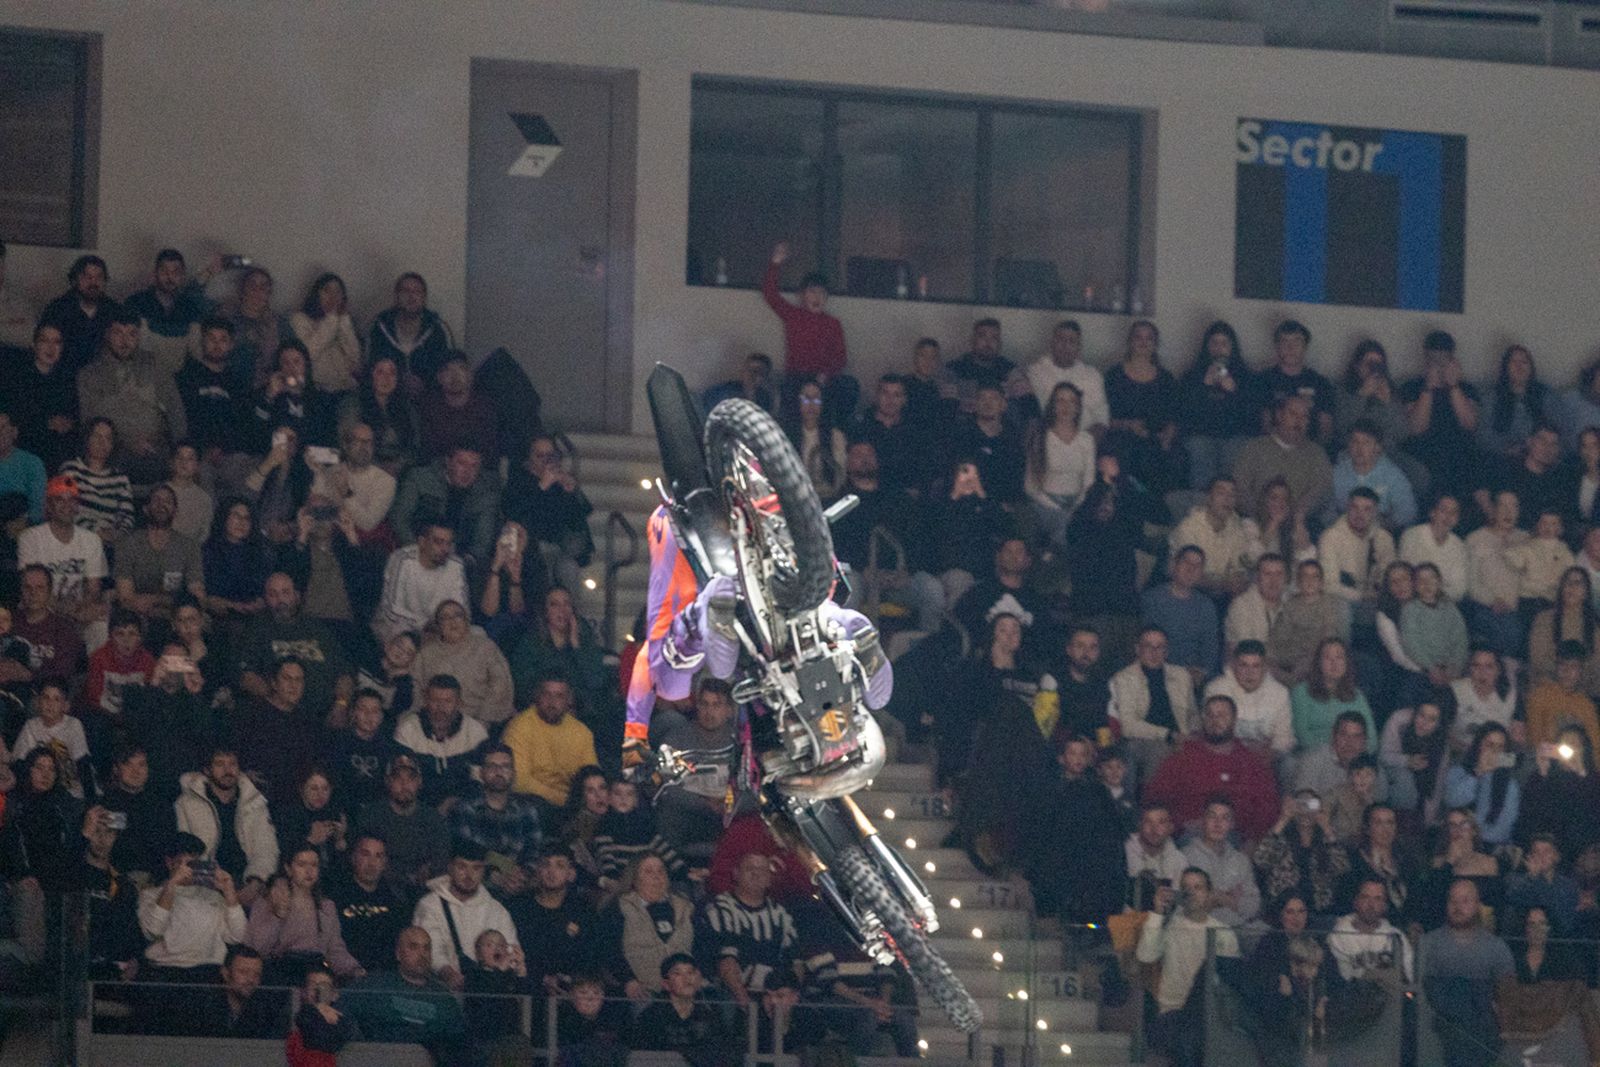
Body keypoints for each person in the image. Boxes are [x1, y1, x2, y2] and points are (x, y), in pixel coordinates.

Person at [1135, 866, 1240, 1067]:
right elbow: (1145, 956)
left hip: (1210, 1016)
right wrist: (1157, 913)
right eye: (1185, 887)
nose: (1191, 892)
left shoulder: (1223, 932)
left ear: (1209, 893)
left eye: (1197, 887)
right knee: (1187, 1039)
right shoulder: (1169, 926)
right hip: (1173, 1012)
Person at [76, 304, 188, 485]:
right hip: (113, 451)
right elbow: (88, 420)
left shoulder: (155, 365)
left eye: (132, 334)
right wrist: (127, 442)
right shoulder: (90, 374)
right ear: (107, 334)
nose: (125, 341)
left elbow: (176, 411)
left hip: (157, 449)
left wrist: (181, 449)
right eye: (118, 333)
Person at [1144, 695, 1279, 841]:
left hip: (1237, 839)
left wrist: (1252, 841)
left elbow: (1267, 807)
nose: (1215, 720)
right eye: (1210, 715)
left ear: (1234, 719)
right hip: (1191, 836)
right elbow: (1155, 799)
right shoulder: (1183, 758)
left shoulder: (1251, 762)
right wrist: (1179, 826)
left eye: (1222, 715)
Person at [699, 850, 802, 1030]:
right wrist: (746, 1002)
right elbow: (726, 962)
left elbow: (796, 962)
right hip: (735, 992)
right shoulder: (722, 908)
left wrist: (790, 995)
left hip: (775, 993)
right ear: (736, 874)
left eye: (762, 870)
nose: (756, 874)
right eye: (750, 869)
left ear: (770, 878)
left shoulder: (780, 913)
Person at [237, 572, 355, 722]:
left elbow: (344, 672)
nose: (280, 600)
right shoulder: (257, 629)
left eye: (285, 592)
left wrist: (341, 704)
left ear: (296, 595)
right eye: (273, 594)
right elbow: (245, 675)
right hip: (279, 715)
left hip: (326, 715)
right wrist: (276, 699)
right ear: (265, 598)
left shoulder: (316, 628)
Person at [1420, 879, 1514, 1067]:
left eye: (1465, 901)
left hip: (1483, 1035)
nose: (1458, 906)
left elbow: (1507, 993)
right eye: (1453, 901)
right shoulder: (1427, 944)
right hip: (1436, 1033)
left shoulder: (1497, 947)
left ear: (1478, 905)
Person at [345, 927, 469, 1065]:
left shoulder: (443, 997)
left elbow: (460, 1044)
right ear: (398, 953)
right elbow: (342, 1013)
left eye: (426, 948)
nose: (422, 954)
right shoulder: (375, 985)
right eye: (414, 947)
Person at [1494, 905, 1600, 1064]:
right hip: (1517, 1039)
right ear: (1525, 928)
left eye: (1542, 923)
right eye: (1532, 924)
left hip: (1556, 1041)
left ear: (1550, 927)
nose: (1537, 929)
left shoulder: (1565, 963)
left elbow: (1580, 999)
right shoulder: (1511, 960)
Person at [174, 746, 278, 907]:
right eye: (220, 764)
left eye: (232, 764)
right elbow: (185, 853)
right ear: (207, 770)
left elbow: (266, 848)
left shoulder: (255, 803)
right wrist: (215, 885)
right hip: (205, 886)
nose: (227, 770)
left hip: (247, 883)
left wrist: (256, 882)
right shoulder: (187, 803)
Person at [137, 831, 247, 981]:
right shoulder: (151, 895)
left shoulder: (213, 896)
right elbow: (153, 930)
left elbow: (237, 936)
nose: (191, 869)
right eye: (186, 863)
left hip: (209, 971)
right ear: (170, 863)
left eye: (196, 862)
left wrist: (229, 891)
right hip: (166, 969)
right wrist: (172, 885)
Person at [411, 840, 519, 990]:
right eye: (462, 867)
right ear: (450, 867)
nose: (469, 875)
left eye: (476, 868)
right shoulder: (429, 905)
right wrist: (448, 974)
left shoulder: (497, 910)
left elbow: (510, 951)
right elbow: (430, 949)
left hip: (487, 994)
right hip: (440, 991)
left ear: (483, 871)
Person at [246, 846, 363, 983]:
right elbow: (257, 948)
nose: (309, 871)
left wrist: (353, 969)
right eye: (301, 865)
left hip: (315, 974)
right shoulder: (267, 900)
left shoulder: (326, 907)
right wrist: (278, 915)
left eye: (314, 865)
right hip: (280, 973)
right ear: (288, 869)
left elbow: (334, 949)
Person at [1107, 626, 1198, 785]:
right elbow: (1129, 726)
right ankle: (1153, 805)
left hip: (1181, 737)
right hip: (1143, 739)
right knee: (1159, 751)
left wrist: (1191, 736)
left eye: (1159, 647)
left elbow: (1193, 714)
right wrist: (1168, 735)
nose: (1154, 652)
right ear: (1138, 649)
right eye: (1148, 646)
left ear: (1166, 651)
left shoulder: (1181, 675)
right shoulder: (1124, 678)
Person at [501, 435, 594, 590]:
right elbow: (515, 514)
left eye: (550, 456)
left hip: (561, 546)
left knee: (569, 568)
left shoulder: (558, 480)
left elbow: (581, 515)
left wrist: (571, 492)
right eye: (540, 456)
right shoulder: (517, 481)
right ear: (529, 458)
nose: (546, 460)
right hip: (531, 547)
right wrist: (541, 486)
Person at [1102, 318, 1182, 495]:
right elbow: (1103, 417)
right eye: (1138, 337)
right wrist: (1128, 425)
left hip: (1157, 438)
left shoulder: (1166, 378)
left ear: (1155, 344)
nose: (1143, 342)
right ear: (1130, 342)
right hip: (1123, 436)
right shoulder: (1114, 375)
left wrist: (1168, 435)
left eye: (1149, 338)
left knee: (1174, 457)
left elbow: (1175, 414)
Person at [447, 743, 543, 887]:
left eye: (505, 766)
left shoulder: (527, 811)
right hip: (477, 886)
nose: (499, 772)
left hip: (519, 887)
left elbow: (534, 852)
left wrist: (522, 876)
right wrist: (495, 874)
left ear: (513, 773)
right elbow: (464, 851)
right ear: (481, 773)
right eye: (492, 766)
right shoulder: (465, 808)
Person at [508, 847, 602, 993]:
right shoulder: (518, 907)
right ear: (538, 871)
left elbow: (591, 956)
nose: (551, 871)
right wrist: (540, 978)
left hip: (571, 993)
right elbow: (509, 952)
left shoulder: (583, 911)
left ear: (571, 874)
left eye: (559, 865)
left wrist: (569, 981)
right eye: (546, 864)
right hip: (524, 988)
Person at [1177, 319, 1256, 491]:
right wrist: (1203, 386)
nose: (1219, 348)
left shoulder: (1246, 377)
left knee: (1234, 452)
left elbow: (1251, 414)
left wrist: (1234, 390)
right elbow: (1184, 412)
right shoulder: (1192, 376)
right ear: (1207, 346)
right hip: (1201, 435)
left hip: (1234, 436)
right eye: (1214, 343)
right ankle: (1202, 508)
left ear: (1232, 347)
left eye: (1224, 343)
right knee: (1199, 448)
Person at [604, 853, 696, 999]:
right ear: (634, 878)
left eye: (661, 871)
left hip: (684, 993)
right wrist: (628, 980)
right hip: (640, 992)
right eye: (648, 871)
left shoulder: (685, 907)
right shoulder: (619, 907)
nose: (656, 876)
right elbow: (609, 949)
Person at [503, 676, 600, 813]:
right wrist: (563, 800)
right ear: (537, 696)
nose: (552, 702)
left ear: (569, 700)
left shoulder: (582, 732)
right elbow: (519, 781)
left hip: (572, 804)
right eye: (546, 694)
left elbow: (591, 776)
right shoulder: (519, 727)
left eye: (559, 696)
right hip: (534, 804)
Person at [356, 754, 449, 889]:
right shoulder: (370, 816)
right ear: (388, 781)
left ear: (420, 782)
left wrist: (429, 871)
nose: (404, 784)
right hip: (380, 889)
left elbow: (441, 860)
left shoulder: (434, 820)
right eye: (397, 778)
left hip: (425, 892)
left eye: (411, 778)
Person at [1233, 395, 1334, 520]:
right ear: (1279, 415)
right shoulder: (1255, 447)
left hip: (1299, 522)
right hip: (1256, 520)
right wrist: (1261, 514)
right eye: (1293, 414)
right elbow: (1240, 486)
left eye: (1304, 416)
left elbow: (1321, 491)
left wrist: (1295, 515)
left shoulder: (1317, 454)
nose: (1298, 421)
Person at [1253, 790, 1351, 919]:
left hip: (1319, 911)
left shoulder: (1327, 840)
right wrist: (1284, 818)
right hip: (1284, 911)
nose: (1306, 811)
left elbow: (1342, 868)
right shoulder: (1280, 839)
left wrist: (1327, 828)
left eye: (1311, 805)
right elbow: (1261, 860)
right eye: (1301, 804)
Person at [631, 954, 741, 1066]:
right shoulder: (651, 1016)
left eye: (690, 972)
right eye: (677, 973)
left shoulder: (710, 1012)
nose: (686, 978)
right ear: (666, 984)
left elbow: (725, 1049)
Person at [762, 241, 847, 381]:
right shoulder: (793, 315)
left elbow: (840, 358)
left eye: (822, 293)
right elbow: (770, 293)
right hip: (797, 377)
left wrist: (825, 374)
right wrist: (775, 263)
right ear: (802, 295)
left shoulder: (833, 323)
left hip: (823, 379)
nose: (817, 297)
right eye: (812, 292)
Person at [1024, 382, 1097, 544]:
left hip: (1077, 504)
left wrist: (1075, 507)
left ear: (1078, 407)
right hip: (1045, 504)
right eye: (1060, 400)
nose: (1066, 406)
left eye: (1071, 401)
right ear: (1052, 405)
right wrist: (1058, 509)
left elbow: (1089, 482)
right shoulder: (1040, 437)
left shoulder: (1087, 440)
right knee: (1065, 528)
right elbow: (1030, 485)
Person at [326, 834, 409, 974]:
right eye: (365, 854)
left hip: (385, 979)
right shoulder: (335, 896)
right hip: (344, 977)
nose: (372, 863)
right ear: (353, 858)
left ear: (385, 863)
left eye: (378, 856)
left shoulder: (396, 902)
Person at [1465, 489, 1531, 661]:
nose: (1508, 512)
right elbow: (1471, 583)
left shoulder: (1526, 539)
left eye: (1514, 507)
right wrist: (1492, 600)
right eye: (1503, 506)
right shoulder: (1475, 539)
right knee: (1507, 631)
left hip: (1520, 607)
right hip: (1486, 606)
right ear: (1493, 509)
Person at [1139, 545, 1221, 683]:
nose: (1191, 569)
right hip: (1159, 672)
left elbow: (1210, 647)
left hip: (1195, 676)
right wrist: (1177, 673)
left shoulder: (1206, 605)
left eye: (1197, 566)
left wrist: (1203, 671)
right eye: (1186, 562)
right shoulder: (1153, 599)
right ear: (1174, 565)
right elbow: (1149, 643)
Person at [4, 322, 78, 474]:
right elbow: (14, 418)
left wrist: (67, 424)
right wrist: (47, 423)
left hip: (58, 452)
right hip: (24, 449)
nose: (51, 348)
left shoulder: (67, 380)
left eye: (56, 342)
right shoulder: (17, 378)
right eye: (45, 341)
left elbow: (74, 416)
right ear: (34, 345)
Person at [1170, 478, 1258, 598]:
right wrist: (1222, 584)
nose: (1227, 499)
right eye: (1221, 493)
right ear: (1208, 498)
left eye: (1232, 495)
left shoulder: (1237, 527)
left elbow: (1239, 567)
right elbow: (1186, 574)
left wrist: (1238, 578)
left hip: (1223, 595)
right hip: (1188, 593)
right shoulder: (1188, 528)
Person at [1267, 559, 1351, 685]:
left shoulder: (1329, 605)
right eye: (1305, 576)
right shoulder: (1290, 605)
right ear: (1298, 582)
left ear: (1321, 582)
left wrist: (1310, 659)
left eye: (1315, 577)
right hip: (1290, 657)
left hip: (1316, 658)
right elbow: (1279, 637)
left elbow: (1328, 638)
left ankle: (1293, 683)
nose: (1310, 581)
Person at [1204, 638, 1294, 755]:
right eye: (1243, 665)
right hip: (1226, 753)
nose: (1250, 673)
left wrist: (1268, 753)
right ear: (1234, 666)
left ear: (1265, 667)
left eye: (1256, 666)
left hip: (1267, 757)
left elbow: (1283, 738)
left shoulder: (1280, 693)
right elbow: (1213, 731)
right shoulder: (1216, 689)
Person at [368, 273, 455, 393]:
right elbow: (370, 364)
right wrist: (396, 381)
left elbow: (447, 367)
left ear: (424, 297)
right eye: (405, 291)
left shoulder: (437, 329)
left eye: (417, 291)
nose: (411, 296)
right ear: (397, 296)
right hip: (388, 397)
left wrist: (425, 383)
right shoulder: (380, 327)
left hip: (428, 398)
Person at [1181, 797, 1262, 926]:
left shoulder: (1241, 860)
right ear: (1203, 820)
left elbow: (1254, 903)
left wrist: (1223, 899)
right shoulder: (1185, 856)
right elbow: (1184, 903)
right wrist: (1225, 899)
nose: (1218, 823)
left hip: (1238, 927)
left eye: (1225, 818)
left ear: (1232, 824)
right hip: (1199, 926)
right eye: (1212, 816)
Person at [1025, 319, 1108, 439]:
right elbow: (1029, 418)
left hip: (1084, 442)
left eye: (1071, 341)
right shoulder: (1035, 373)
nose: (1065, 346)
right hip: (1046, 443)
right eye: (1061, 339)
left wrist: (1080, 444)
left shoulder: (1092, 376)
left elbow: (1102, 420)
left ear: (1079, 346)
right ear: (1052, 343)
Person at [1444, 723, 1521, 846]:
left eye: (1500, 747)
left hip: (1489, 845)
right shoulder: (1458, 771)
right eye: (1489, 745)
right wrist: (1477, 773)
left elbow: (1503, 828)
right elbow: (1452, 801)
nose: (1494, 751)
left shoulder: (1510, 785)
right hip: (1456, 840)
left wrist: (1475, 841)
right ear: (1478, 745)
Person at [1378, 697, 1451, 827]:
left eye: (1432, 719)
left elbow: (1437, 783)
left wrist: (1426, 821)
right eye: (1421, 715)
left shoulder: (1441, 743)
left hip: (1419, 791)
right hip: (1389, 772)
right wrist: (1407, 761)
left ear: (1439, 723)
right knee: (1404, 779)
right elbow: (1383, 756)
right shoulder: (1399, 719)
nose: (1424, 722)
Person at [188, 943, 287, 1038]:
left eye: (256, 974)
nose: (251, 980)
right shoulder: (205, 1007)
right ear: (226, 974)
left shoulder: (266, 1010)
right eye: (243, 972)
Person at [1291, 638, 1375, 750]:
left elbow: (1372, 738)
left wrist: (1355, 753)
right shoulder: (1301, 692)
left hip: (1354, 757)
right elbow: (1302, 735)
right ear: (1318, 663)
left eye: (1339, 657)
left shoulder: (1357, 695)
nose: (1334, 663)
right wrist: (1335, 753)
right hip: (1316, 756)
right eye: (1327, 658)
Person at [37, 253, 114, 375]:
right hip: (63, 377)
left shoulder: (113, 310)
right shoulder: (57, 309)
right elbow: (43, 349)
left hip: (103, 379)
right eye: (87, 277)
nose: (93, 282)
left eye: (99, 277)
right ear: (74, 280)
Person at [1318, 487, 1394, 607]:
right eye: (1355, 507)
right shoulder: (1330, 537)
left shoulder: (1384, 538)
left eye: (1367, 509)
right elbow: (1329, 584)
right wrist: (1362, 596)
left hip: (1377, 602)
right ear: (1347, 508)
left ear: (1375, 512)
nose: (1360, 514)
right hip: (1343, 603)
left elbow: (1390, 575)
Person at [1329, 877, 1414, 986]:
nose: (1371, 905)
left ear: (1385, 905)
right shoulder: (1337, 936)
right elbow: (1344, 978)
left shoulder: (1397, 937)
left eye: (1378, 899)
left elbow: (1409, 976)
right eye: (1365, 897)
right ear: (1355, 902)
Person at [1525, 640, 1600, 755]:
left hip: (1578, 765)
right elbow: (1535, 741)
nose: (1566, 671)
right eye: (1562, 664)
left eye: (1573, 666)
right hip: (1546, 763)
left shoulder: (1586, 706)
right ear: (1556, 666)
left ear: (1581, 670)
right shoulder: (1540, 696)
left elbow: (1596, 746)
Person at [781, 376, 848, 501]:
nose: (811, 404)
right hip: (794, 500)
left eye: (817, 399)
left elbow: (840, 475)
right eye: (806, 399)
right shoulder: (785, 435)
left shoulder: (836, 436)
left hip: (827, 497)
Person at [287, 964, 360, 1067]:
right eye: (312, 986)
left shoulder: (342, 1021)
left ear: (335, 994)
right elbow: (304, 1021)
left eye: (324, 986)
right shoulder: (296, 1017)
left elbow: (333, 1039)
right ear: (303, 991)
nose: (318, 991)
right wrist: (315, 1010)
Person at [1399, 494, 1468, 602]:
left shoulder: (1458, 545)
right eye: (1443, 510)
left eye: (1453, 512)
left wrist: (1438, 597)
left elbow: (1459, 588)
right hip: (1413, 601)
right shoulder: (1412, 536)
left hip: (1445, 602)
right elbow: (1405, 576)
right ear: (1432, 513)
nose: (1448, 516)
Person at [1225, 554, 1289, 652]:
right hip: (1249, 664)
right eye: (1267, 574)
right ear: (1257, 577)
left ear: (1286, 578)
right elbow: (1248, 651)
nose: (1274, 580)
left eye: (1279, 574)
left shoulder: (1291, 603)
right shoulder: (1241, 606)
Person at [0, 406, 47, 528]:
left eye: (3, 427)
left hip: (22, 528)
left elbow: (39, 507)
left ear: (14, 432)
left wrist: (23, 522)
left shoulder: (31, 463)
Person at [705, 351, 776, 414]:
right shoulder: (724, 391)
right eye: (748, 369)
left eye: (757, 371)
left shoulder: (764, 398)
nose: (751, 374)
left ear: (765, 376)